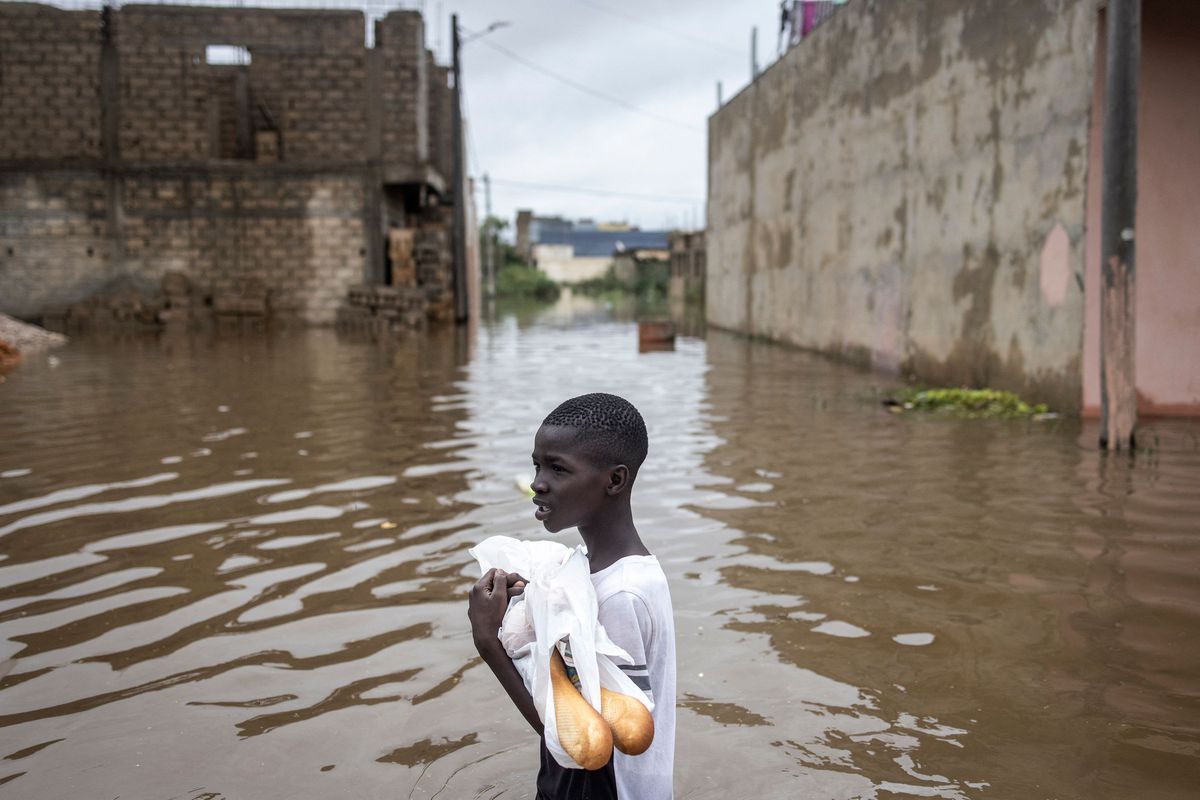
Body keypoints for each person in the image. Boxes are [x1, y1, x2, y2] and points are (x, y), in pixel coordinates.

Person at [468, 393, 676, 800]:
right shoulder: (593, 569)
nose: (537, 483)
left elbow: (586, 745)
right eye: (537, 464)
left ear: (614, 481)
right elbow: (576, 690)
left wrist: (488, 642)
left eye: (558, 469)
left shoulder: (622, 595)